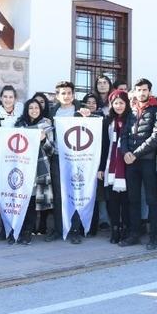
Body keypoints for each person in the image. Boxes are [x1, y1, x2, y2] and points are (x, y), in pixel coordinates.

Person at [119, 78, 157, 250]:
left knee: (152, 200)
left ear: (150, 92)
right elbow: (124, 135)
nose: (142, 93)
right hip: (131, 162)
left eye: (145, 90)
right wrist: (125, 152)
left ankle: (154, 237)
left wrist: (135, 154)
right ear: (135, 92)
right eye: (139, 90)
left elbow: (156, 137)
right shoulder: (131, 112)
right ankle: (134, 234)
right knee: (133, 200)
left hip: (148, 161)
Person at [46, 81, 91, 243]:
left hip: (77, 159)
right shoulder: (52, 112)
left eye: (69, 93)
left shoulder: (81, 110)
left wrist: (89, 117)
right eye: (63, 93)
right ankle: (59, 228)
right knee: (59, 195)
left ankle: (74, 230)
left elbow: (93, 126)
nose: (66, 96)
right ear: (57, 96)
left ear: (73, 95)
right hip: (58, 157)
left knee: (75, 193)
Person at [12, 98, 54, 245]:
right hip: (21, 167)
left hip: (38, 169)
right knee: (20, 200)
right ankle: (17, 230)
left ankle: (27, 232)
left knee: (31, 201)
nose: (34, 110)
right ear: (26, 110)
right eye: (31, 108)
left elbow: (51, 150)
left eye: (37, 108)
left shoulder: (46, 126)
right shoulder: (19, 125)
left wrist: (43, 140)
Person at [98, 90, 131, 244]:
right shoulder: (107, 121)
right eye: (116, 103)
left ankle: (125, 228)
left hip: (127, 166)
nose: (118, 106)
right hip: (110, 167)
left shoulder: (131, 119)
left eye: (121, 103)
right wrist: (100, 168)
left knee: (126, 200)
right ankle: (115, 228)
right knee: (112, 200)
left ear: (126, 104)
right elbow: (104, 146)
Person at [0, 85, 23, 240]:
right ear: (1, 98)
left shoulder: (22, 112)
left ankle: (18, 227)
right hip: (4, 158)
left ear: (15, 99)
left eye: (11, 97)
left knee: (19, 193)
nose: (8, 100)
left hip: (22, 158)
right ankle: (5, 228)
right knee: (5, 193)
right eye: (5, 97)